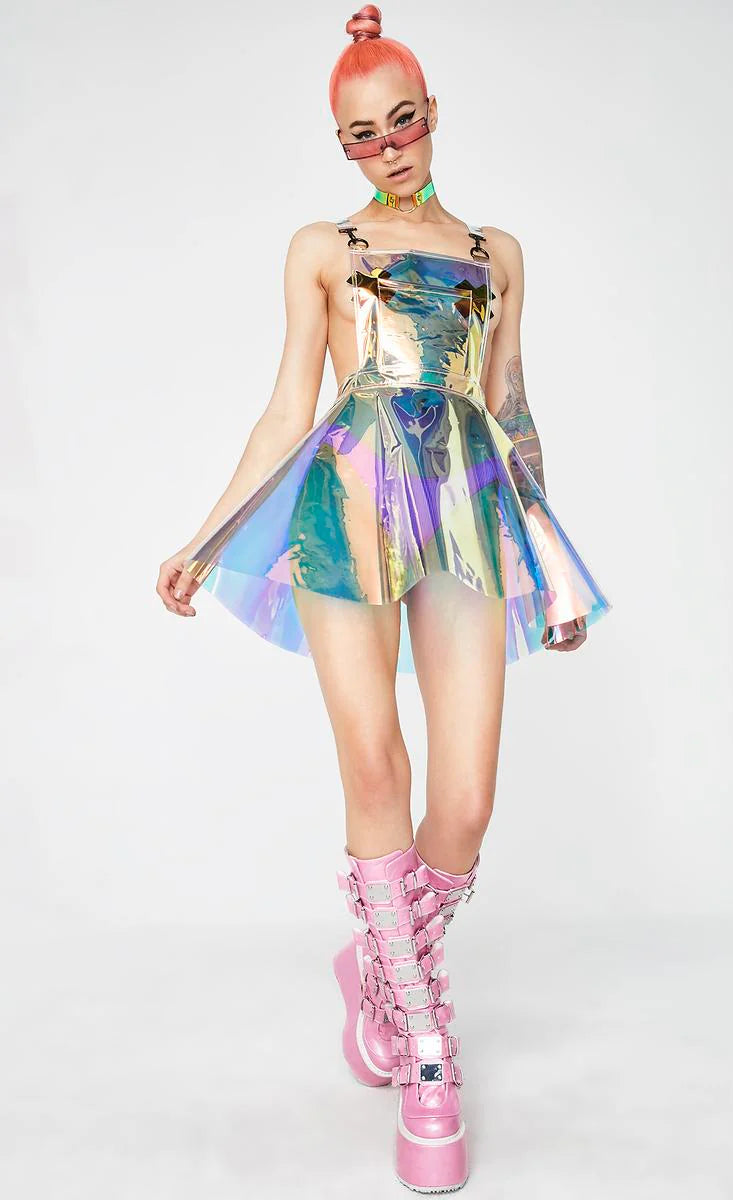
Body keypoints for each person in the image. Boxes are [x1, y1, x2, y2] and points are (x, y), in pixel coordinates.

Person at [156, 5, 611, 1191]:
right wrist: (206, 537)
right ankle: (424, 1053)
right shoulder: (322, 246)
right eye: (362, 135)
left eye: (403, 121)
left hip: (464, 502)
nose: (388, 147)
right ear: (342, 144)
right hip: (347, 500)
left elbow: (510, 409)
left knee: (464, 802)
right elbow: (286, 408)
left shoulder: (496, 253)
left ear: (433, 114)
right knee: (376, 766)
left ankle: (380, 963)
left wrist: (551, 556)